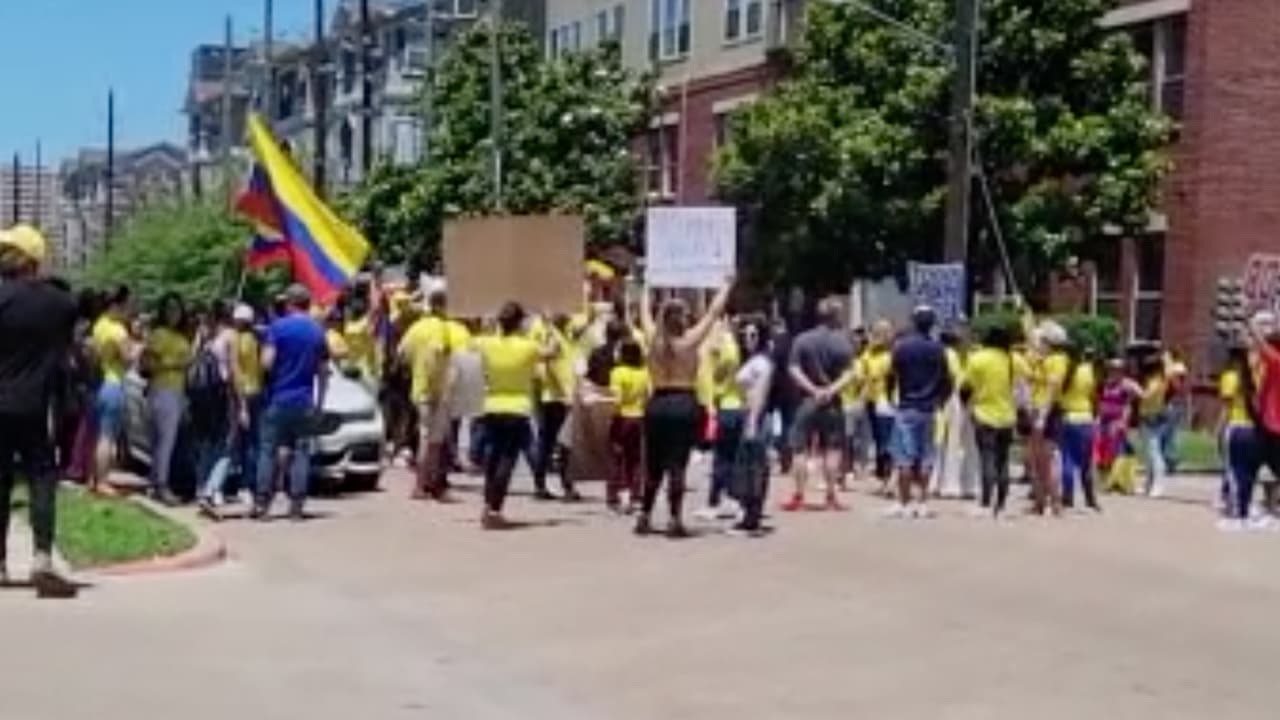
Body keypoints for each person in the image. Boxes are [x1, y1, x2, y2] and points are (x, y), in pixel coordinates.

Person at [0, 225, 79, 597]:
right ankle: (42, 557)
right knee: (42, 480)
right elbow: (66, 352)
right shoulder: (61, 303)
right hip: (37, 405)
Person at [636, 279, 734, 537]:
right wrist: (726, 285)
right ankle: (674, 518)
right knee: (677, 463)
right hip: (683, 403)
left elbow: (642, 312)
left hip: (657, 402)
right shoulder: (689, 341)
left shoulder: (653, 340)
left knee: (654, 463)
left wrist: (647, 285)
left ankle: (644, 514)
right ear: (682, 318)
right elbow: (714, 313)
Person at [473, 302, 552, 529]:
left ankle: (488, 504)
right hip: (517, 408)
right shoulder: (527, 347)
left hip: (491, 405)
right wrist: (547, 325)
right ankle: (495, 508)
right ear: (519, 323)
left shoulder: (487, 343)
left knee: (492, 458)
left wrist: (486, 326)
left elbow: (470, 346)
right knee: (507, 460)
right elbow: (553, 351)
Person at [254, 284, 329, 521]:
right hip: (305, 400)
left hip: (278, 398)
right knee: (301, 452)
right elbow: (323, 371)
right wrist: (320, 403)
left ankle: (262, 504)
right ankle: (296, 506)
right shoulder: (318, 332)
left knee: (267, 451)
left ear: (289, 303)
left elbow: (266, 362)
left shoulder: (278, 328)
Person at [785, 299, 856, 512]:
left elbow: (793, 369)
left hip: (807, 400)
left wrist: (812, 390)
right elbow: (851, 373)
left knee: (800, 449)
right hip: (832, 402)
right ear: (835, 316)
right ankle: (831, 494)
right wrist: (830, 390)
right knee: (832, 449)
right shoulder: (843, 342)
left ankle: (798, 494)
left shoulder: (802, 340)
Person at [886, 306, 953, 519]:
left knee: (904, 458)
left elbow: (891, 375)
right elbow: (947, 380)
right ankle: (923, 501)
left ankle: (904, 503)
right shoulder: (938, 349)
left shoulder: (902, 347)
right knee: (926, 457)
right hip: (929, 408)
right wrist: (942, 400)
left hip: (907, 406)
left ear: (914, 322)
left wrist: (890, 396)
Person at [961, 324, 1017, 518]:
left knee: (987, 457)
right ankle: (1001, 502)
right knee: (1003, 460)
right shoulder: (1012, 359)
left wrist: (966, 407)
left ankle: (986, 501)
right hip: (1007, 415)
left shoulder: (977, 359)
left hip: (984, 413)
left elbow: (965, 387)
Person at [141, 293, 191, 505]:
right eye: (169, 309)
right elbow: (147, 364)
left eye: (177, 309)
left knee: (164, 441)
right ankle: (161, 486)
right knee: (164, 442)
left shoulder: (181, 336)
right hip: (162, 390)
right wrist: (174, 364)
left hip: (177, 391)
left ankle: (155, 483)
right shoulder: (159, 334)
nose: (174, 314)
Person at [728, 317, 774, 537]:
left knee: (753, 469)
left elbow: (760, 394)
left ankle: (752, 519)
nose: (748, 338)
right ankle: (749, 515)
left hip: (756, 416)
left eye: (753, 335)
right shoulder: (753, 360)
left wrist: (753, 421)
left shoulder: (762, 363)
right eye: (745, 334)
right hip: (748, 414)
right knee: (748, 468)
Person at [697, 320, 746, 521]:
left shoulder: (726, 348)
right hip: (735, 405)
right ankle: (733, 498)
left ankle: (716, 501)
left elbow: (721, 372)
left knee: (722, 457)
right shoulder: (733, 347)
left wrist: (717, 377)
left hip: (726, 406)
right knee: (732, 457)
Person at [193, 303, 238, 518]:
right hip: (224, 396)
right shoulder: (230, 336)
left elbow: (193, 362)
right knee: (228, 445)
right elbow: (234, 371)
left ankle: (200, 487)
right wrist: (243, 404)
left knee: (206, 444)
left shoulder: (205, 337)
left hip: (203, 398)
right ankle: (211, 490)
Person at [89, 285, 133, 495]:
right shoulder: (118, 330)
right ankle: (103, 481)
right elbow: (128, 359)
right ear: (117, 305)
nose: (129, 309)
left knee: (98, 434)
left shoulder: (99, 325)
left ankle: (93, 477)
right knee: (107, 435)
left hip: (98, 382)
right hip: (113, 382)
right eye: (127, 304)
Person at [532, 314, 580, 502]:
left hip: (556, 397)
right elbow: (552, 366)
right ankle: (565, 486)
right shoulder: (555, 337)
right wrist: (566, 393)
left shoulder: (562, 334)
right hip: (557, 398)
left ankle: (542, 484)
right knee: (562, 444)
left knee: (549, 443)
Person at [1217, 344, 1262, 531]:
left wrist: (1219, 427)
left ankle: (1236, 511)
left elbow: (1226, 407)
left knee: (1233, 471)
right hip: (1254, 428)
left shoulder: (1230, 377)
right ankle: (1246, 506)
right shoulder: (1257, 377)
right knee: (1249, 473)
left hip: (1235, 426)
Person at [1058, 345, 1101, 511]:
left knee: (1067, 459)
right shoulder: (1087, 370)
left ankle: (1067, 497)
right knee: (1086, 463)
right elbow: (1094, 394)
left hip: (1068, 417)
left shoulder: (1064, 371)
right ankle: (1090, 498)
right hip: (1085, 418)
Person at [608, 339, 649, 512]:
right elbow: (648, 395)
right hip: (639, 417)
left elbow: (616, 400)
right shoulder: (644, 372)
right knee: (636, 459)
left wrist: (608, 412)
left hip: (622, 417)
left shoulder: (617, 372)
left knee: (617, 457)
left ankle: (616, 494)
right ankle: (636, 494)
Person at [231, 303, 264, 503]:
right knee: (255, 441)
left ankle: (245, 484)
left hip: (243, 393)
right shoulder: (256, 339)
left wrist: (241, 405)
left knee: (245, 444)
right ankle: (253, 482)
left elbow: (237, 372)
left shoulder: (237, 341)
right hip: (257, 392)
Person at [860, 320, 896, 495]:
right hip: (872, 400)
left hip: (887, 402)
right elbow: (861, 374)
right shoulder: (869, 353)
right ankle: (884, 477)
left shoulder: (892, 354)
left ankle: (889, 479)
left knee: (886, 442)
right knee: (879, 440)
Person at [1135, 353, 1172, 498]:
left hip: (1153, 418)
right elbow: (1168, 366)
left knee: (1154, 452)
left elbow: (1145, 396)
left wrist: (1134, 387)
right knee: (1149, 454)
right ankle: (1148, 484)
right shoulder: (1158, 378)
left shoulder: (1157, 381)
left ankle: (1158, 485)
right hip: (1148, 417)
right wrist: (1165, 357)